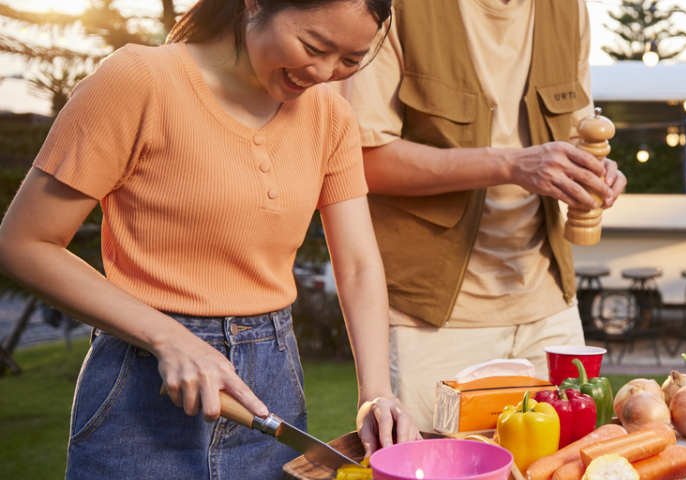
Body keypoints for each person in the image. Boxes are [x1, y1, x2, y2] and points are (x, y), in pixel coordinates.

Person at [0, 0, 420, 476]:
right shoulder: (138, 81)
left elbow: (359, 265)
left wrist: (377, 392)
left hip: (272, 383)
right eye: (314, 46)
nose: (323, 71)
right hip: (142, 383)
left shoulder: (331, 117)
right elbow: (23, 243)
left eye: (349, 60)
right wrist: (168, 337)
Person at [338, 0, 626, 431]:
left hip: (549, 305)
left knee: (565, 467)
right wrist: (510, 165)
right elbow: (361, 159)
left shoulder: (568, 9)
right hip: (433, 316)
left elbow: (574, 131)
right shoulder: (396, 8)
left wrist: (592, 169)